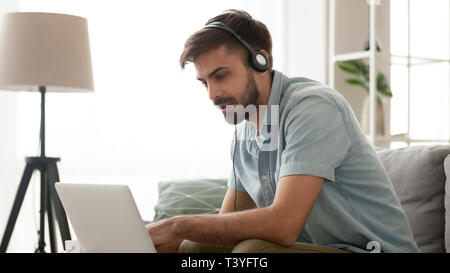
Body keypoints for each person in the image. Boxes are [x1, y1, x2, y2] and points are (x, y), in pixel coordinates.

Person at [145, 9, 419, 253]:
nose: (212, 95)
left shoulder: (311, 107)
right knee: (196, 247)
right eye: (204, 83)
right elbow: (224, 227)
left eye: (220, 76)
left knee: (253, 251)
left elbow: (283, 225)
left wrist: (178, 224)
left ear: (260, 62)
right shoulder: (244, 133)